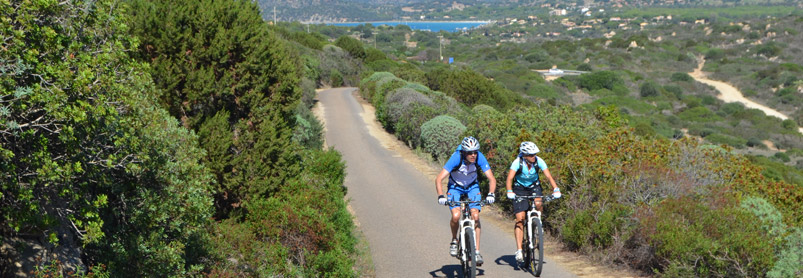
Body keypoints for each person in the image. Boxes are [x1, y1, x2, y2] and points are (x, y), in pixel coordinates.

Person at [435, 136, 497, 266]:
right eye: (470, 152)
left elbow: (491, 178)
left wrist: (491, 194)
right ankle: (454, 239)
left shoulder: (479, 157)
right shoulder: (456, 158)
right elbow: (439, 179)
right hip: (455, 187)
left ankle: (477, 251)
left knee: (475, 215)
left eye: (475, 152)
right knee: (456, 216)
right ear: (464, 152)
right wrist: (441, 196)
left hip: (472, 187)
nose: (473, 155)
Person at [505, 141, 561, 263]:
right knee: (520, 218)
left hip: (534, 186)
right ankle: (519, 250)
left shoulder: (539, 161)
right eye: (530, 154)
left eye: (534, 154)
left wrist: (555, 188)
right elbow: (509, 178)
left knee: (539, 203)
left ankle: (537, 221)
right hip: (519, 188)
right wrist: (509, 191)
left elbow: (548, 176)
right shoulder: (517, 162)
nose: (533, 156)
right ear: (524, 155)